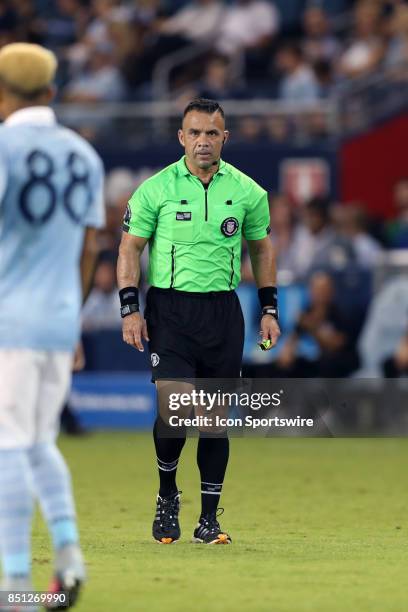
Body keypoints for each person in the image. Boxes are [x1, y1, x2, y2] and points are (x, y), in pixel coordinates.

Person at [117, 98, 280, 545]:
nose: (203, 142)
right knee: (174, 411)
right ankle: (167, 494)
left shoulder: (249, 191)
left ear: (225, 138)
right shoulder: (155, 189)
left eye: (212, 133)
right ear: (181, 137)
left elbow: (262, 250)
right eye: (195, 133)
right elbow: (130, 248)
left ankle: (209, 519)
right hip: (169, 310)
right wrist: (129, 308)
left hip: (223, 312)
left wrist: (269, 309)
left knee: (213, 420)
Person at [0, 43, 104, 609]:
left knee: (8, 447)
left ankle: (14, 584)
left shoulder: (4, 147)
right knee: (38, 441)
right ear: (52, 89)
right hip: (58, 319)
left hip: (10, 318)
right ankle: (68, 559)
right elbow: (90, 247)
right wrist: (70, 316)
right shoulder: (83, 155)